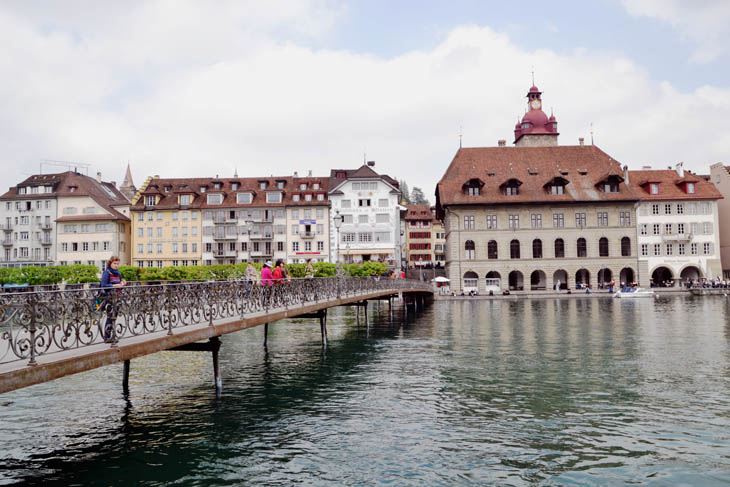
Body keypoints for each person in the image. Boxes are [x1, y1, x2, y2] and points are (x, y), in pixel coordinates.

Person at [100, 256, 126, 343]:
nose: (116, 265)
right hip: (108, 298)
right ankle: (107, 337)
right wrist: (114, 286)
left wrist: (122, 283)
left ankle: (113, 335)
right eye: (114, 263)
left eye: (118, 264)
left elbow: (120, 286)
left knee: (114, 317)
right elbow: (103, 285)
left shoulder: (118, 273)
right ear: (110, 263)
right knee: (110, 317)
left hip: (117, 298)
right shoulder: (106, 273)